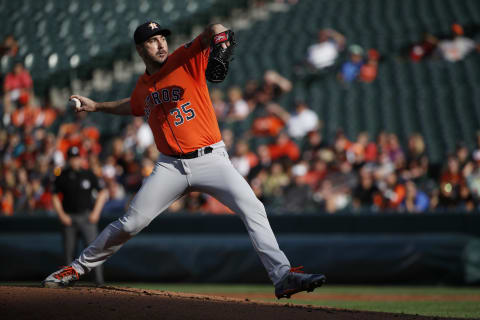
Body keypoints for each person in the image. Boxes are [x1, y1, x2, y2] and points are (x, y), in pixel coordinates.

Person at [42, 21, 325, 299]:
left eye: (162, 37)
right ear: (140, 49)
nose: (161, 42)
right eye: (153, 40)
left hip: (211, 158)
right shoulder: (143, 86)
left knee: (254, 208)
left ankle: (282, 276)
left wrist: (220, 40)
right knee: (130, 223)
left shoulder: (184, 59)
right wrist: (97, 106)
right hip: (170, 166)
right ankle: (76, 268)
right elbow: (134, 104)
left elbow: (214, 29)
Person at [52, 146, 108, 286]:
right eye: (72, 158)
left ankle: (98, 282)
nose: (74, 161)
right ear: (68, 159)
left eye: (77, 158)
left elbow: (102, 192)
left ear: (81, 159)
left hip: (87, 217)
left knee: (94, 251)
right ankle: (67, 281)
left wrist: (96, 212)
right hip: (69, 218)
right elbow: (54, 196)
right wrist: (61, 215)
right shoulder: (62, 175)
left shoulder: (88, 174)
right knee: (68, 253)